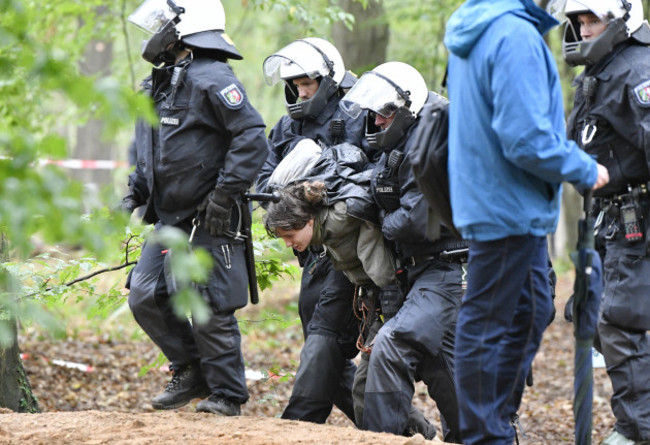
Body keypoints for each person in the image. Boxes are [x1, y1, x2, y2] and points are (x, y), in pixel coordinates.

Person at [443, 0, 610, 443]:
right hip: (505, 204)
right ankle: (484, 434)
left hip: (509, 201)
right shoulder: (512, 35)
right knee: (487, 321)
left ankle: (496, 419)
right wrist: (582, 167)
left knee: (532, 308)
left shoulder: (488, 28)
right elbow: (525, 137)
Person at [121, 0, 269, 416]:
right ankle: (191, 370)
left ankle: (227, 395)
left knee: (208, 303)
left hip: (210, 216)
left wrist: (224, 195)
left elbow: (252, 137)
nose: (155, 32)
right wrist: (134, 193)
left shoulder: (212, 77)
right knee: (145, 295)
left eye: (162, 23)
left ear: (185, 29)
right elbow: (151, 152)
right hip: (168, 217)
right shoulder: (159, 84)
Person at [339, 61, 466, 443]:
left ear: (406, 110)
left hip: (448, 270)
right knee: (444, 367)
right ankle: (484, 435)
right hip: (421, 272)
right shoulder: (401, 143)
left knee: (391, 346)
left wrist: (379, 221)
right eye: (374, 114)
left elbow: (414, 222)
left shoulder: (433, 143)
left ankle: (381, 438)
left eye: (384, 114)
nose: (377, 122)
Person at [255, 38, 368, 425]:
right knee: (321, 350)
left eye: (308, 85)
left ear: (329, 80)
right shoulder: (287, 126)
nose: (301, 93)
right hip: (311, 255)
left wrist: (320, 181)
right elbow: (263, 176)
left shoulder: (357, 115)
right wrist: (276, 193)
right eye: (295, 86)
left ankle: (298, 425)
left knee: (324, 339)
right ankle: (399, 427)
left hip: (349, 249)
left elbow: (366, 177)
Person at [563, 1, 650, 443]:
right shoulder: (599, 72)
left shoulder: (637, 70)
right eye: (579, 21)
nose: (583, 29)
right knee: (592, 315)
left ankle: (639, 432)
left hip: (639, 221)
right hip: (609, 219)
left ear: (620, 19)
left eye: (591, 19)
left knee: (620, 319)